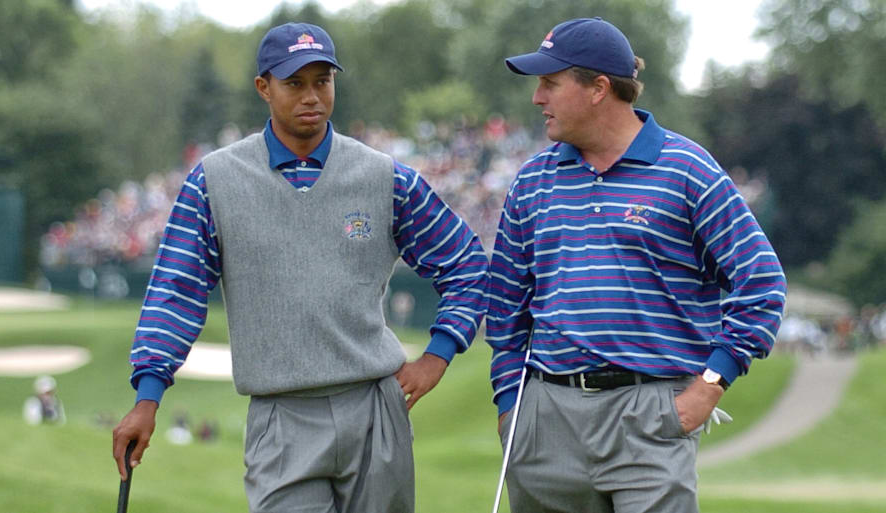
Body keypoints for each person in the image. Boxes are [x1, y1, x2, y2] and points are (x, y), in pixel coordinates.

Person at [111, 22, 488, 513]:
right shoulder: (215, 182)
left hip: (375, 408)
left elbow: (469, 266)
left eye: (322, 81)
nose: (312, 96)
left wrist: (438, 355)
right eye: (295, 83)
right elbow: (175, 294)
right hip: (280, 416)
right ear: (263, 88)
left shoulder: (385, 177)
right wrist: (148, 395)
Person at [486, 18, 786, 512]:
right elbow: (506, 307)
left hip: (651, 414)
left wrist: (711, 385)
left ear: (599, 88)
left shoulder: (687, 170)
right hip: (545, 420)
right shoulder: (532, 180)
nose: (537, 98)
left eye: (550, 83)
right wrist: (509, 406)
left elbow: (761, 282)